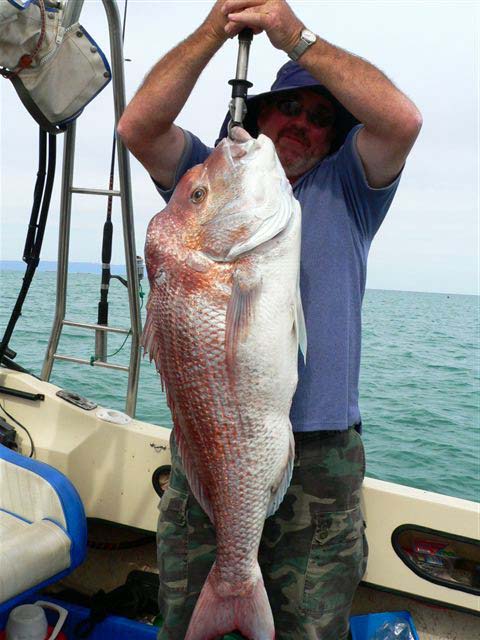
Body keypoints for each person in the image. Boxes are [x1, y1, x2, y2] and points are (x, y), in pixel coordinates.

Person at [118, 1, 422, 638]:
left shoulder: (351, 187)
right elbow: (138, 128)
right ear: (259, 116)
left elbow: (401, 120)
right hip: (211, 446)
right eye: (289, 109)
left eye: (320, 119)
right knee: (182, 620)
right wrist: (215, 28)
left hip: (322, 455)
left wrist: (294, 36)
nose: (303, 125)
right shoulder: (211, 188)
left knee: (312, 626)